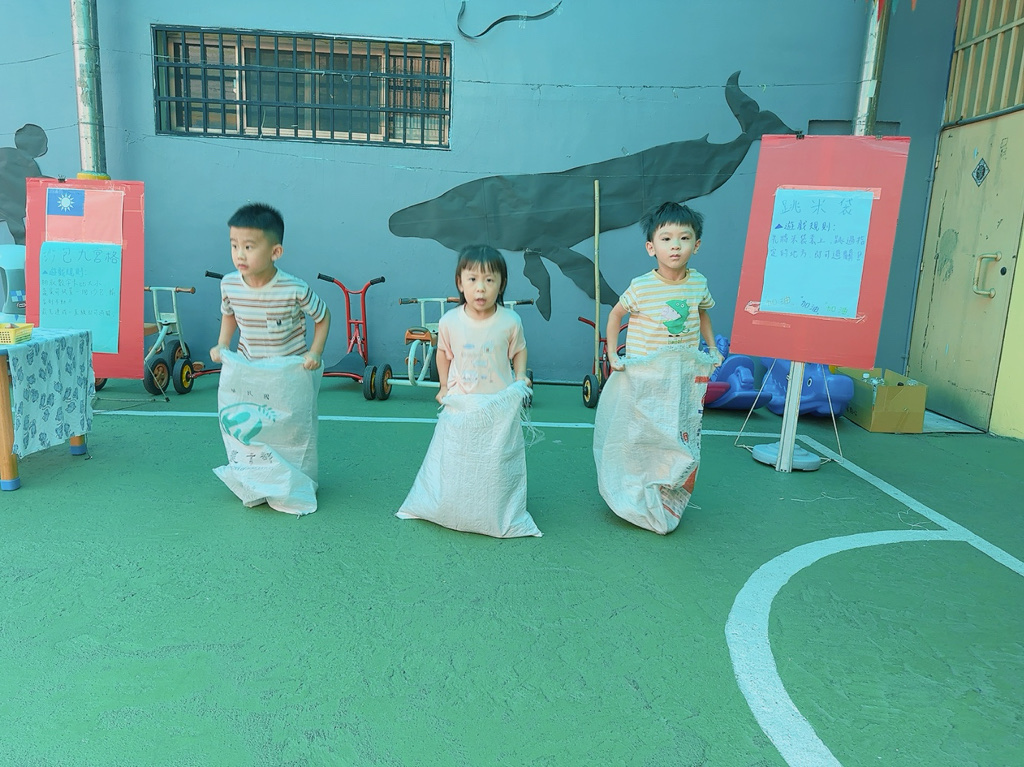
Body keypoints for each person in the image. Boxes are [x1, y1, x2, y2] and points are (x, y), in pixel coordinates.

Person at [210, 203, 330, 369]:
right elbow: (229, 313)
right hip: (249, 368)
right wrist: (222, 343)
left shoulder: (294, 289)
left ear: (275, 252)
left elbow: (323, 316)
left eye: (248, 247)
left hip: (289, 372)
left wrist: (316, 352)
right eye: (234, 246)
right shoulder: (229, 284)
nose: (240, 255)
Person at [606, 201, 720, 369]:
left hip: (683, 368)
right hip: (645, 370)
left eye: (684, 238)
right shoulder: (641, 286)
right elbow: (615, 315)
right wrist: (612, 354)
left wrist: (713, 349)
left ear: (696, 245)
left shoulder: (699, 283)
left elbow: (701, 313)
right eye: (666, 239)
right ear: (651, 248)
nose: (675, 246)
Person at [435, 244, 530, 404]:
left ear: (501, 285)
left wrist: (520, 374)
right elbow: (443, 353)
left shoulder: (511, 321)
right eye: (472, 279)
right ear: (460, 283)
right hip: (460, 402)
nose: (480, 288)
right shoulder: (449, 321)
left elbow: (519, 349)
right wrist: (444, 386)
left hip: (499, 402)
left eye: (489, 280)